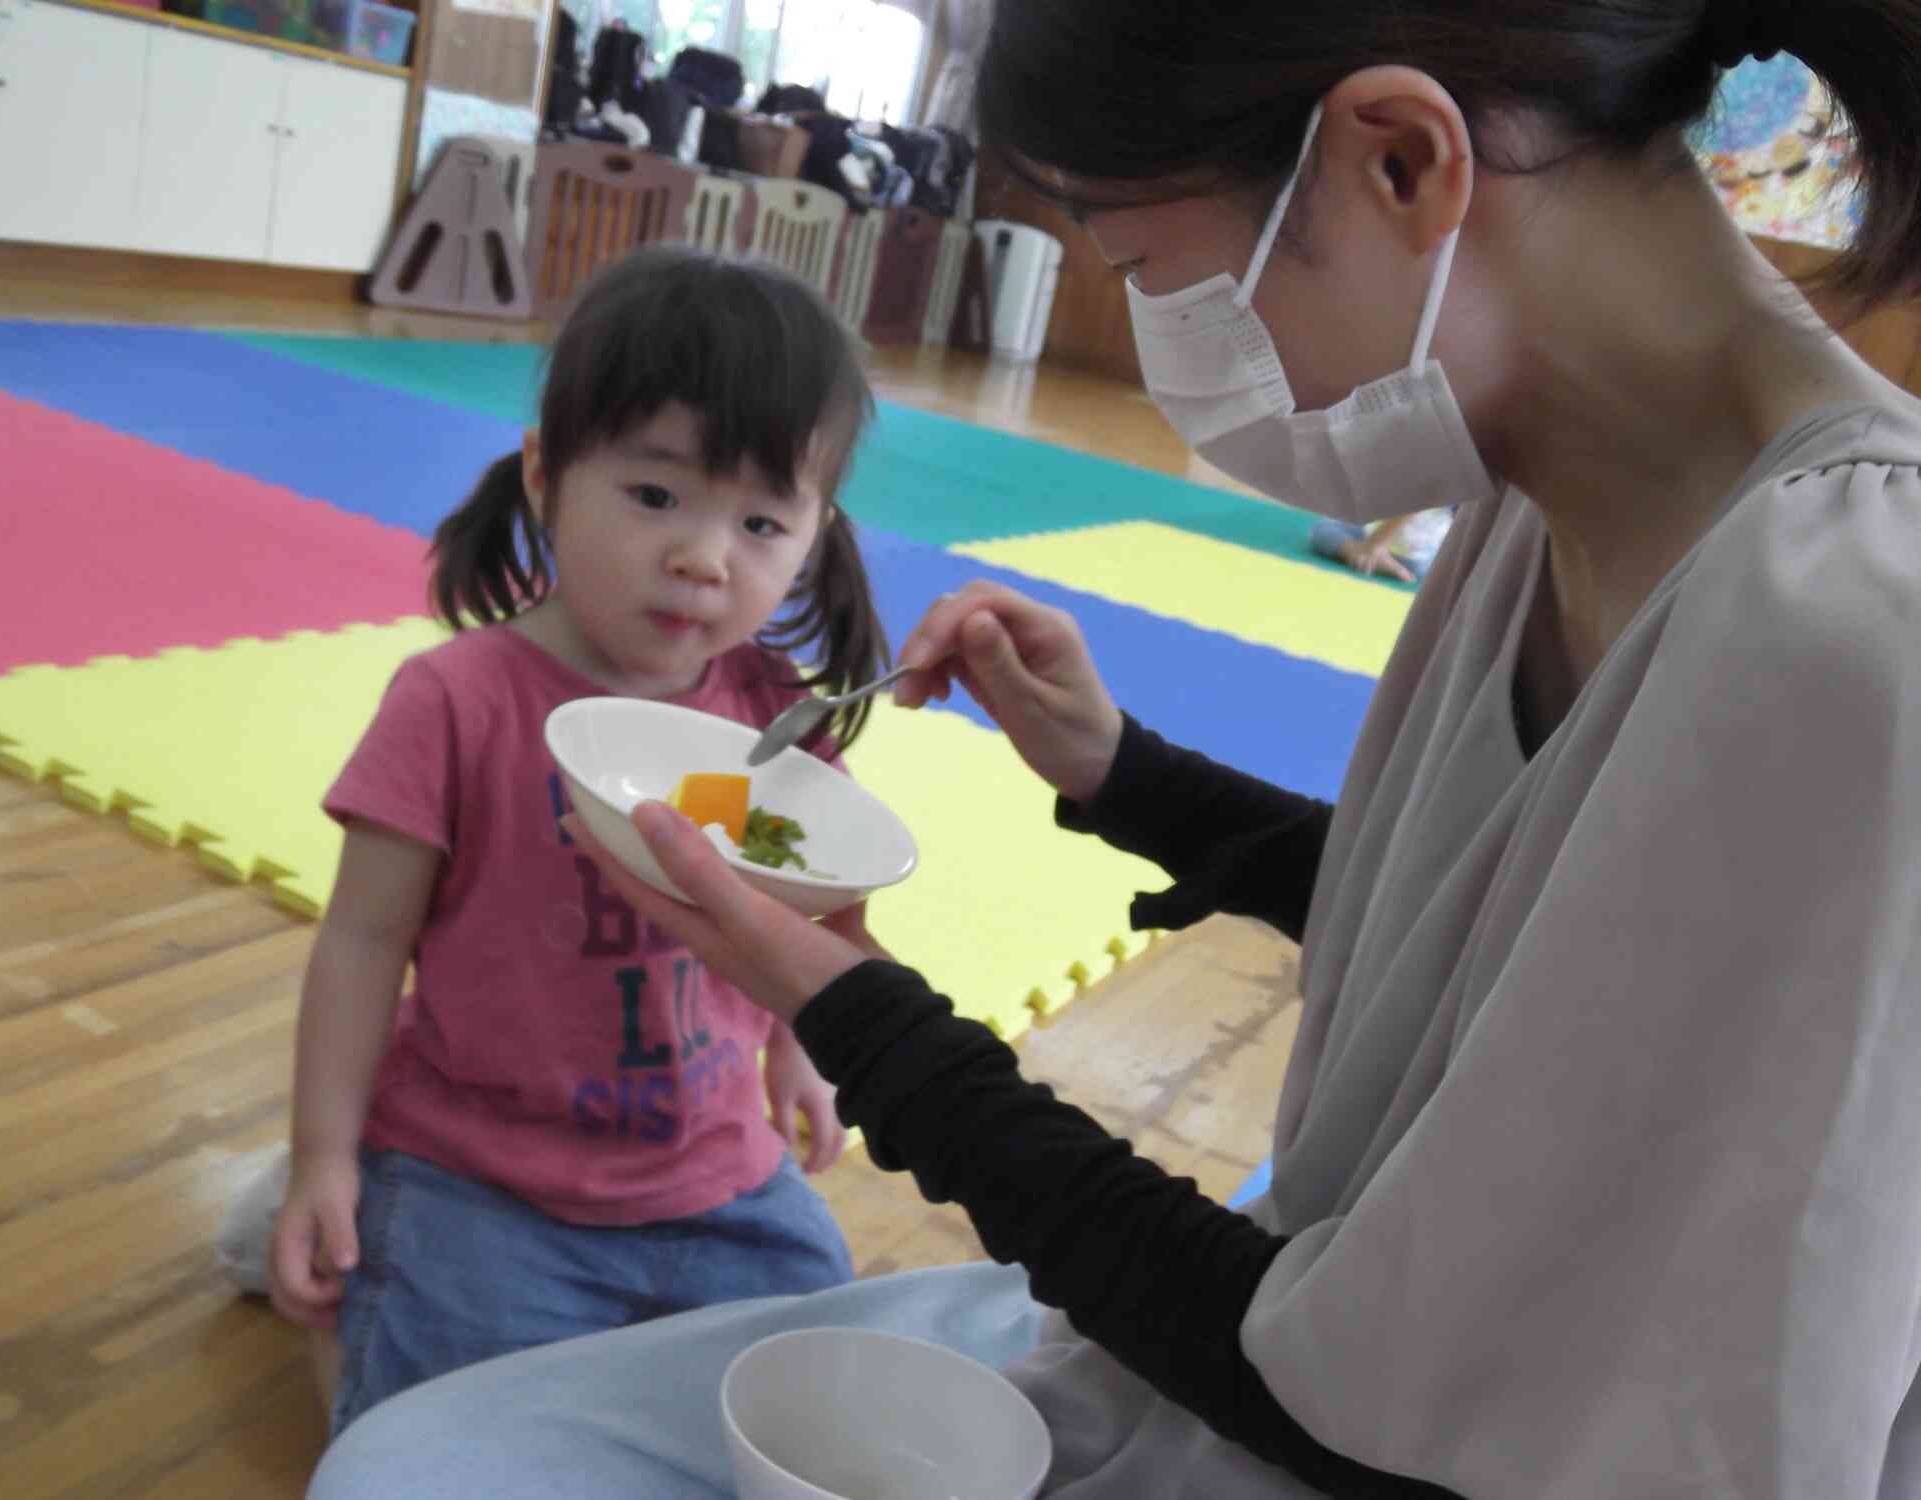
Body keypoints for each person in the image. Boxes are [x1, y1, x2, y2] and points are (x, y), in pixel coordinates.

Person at [308, 2, 1921, 1495]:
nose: (1161, 343)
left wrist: (844, 1013)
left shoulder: (1851, 650)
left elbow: (1369, 1401)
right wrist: (1120, 773)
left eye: (1145, 266)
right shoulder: (1541, 486)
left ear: (1399, 160)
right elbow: (1488, 938)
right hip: (1304, 1339)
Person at [232, 245, 890, 1441]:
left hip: (720, 1178)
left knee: (829, 1411)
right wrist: (319, 1156)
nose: (704, 556)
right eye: (654, 496)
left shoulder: (767, 712)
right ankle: (321, 1239)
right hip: (481, 1183)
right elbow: (364, 940)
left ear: (813, 534)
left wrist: (799, 1046)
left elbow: (801, 911)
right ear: (545, 474)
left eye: (758, 520)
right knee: (420, 1445)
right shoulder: (455, 701)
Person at [1308, 507, 1455, 583]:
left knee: (1324, 528)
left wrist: (1375, 544)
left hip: (1391, 542)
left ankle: (1361, 555)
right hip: (1421, 559)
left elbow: (1418, 500)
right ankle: (1382, 560)